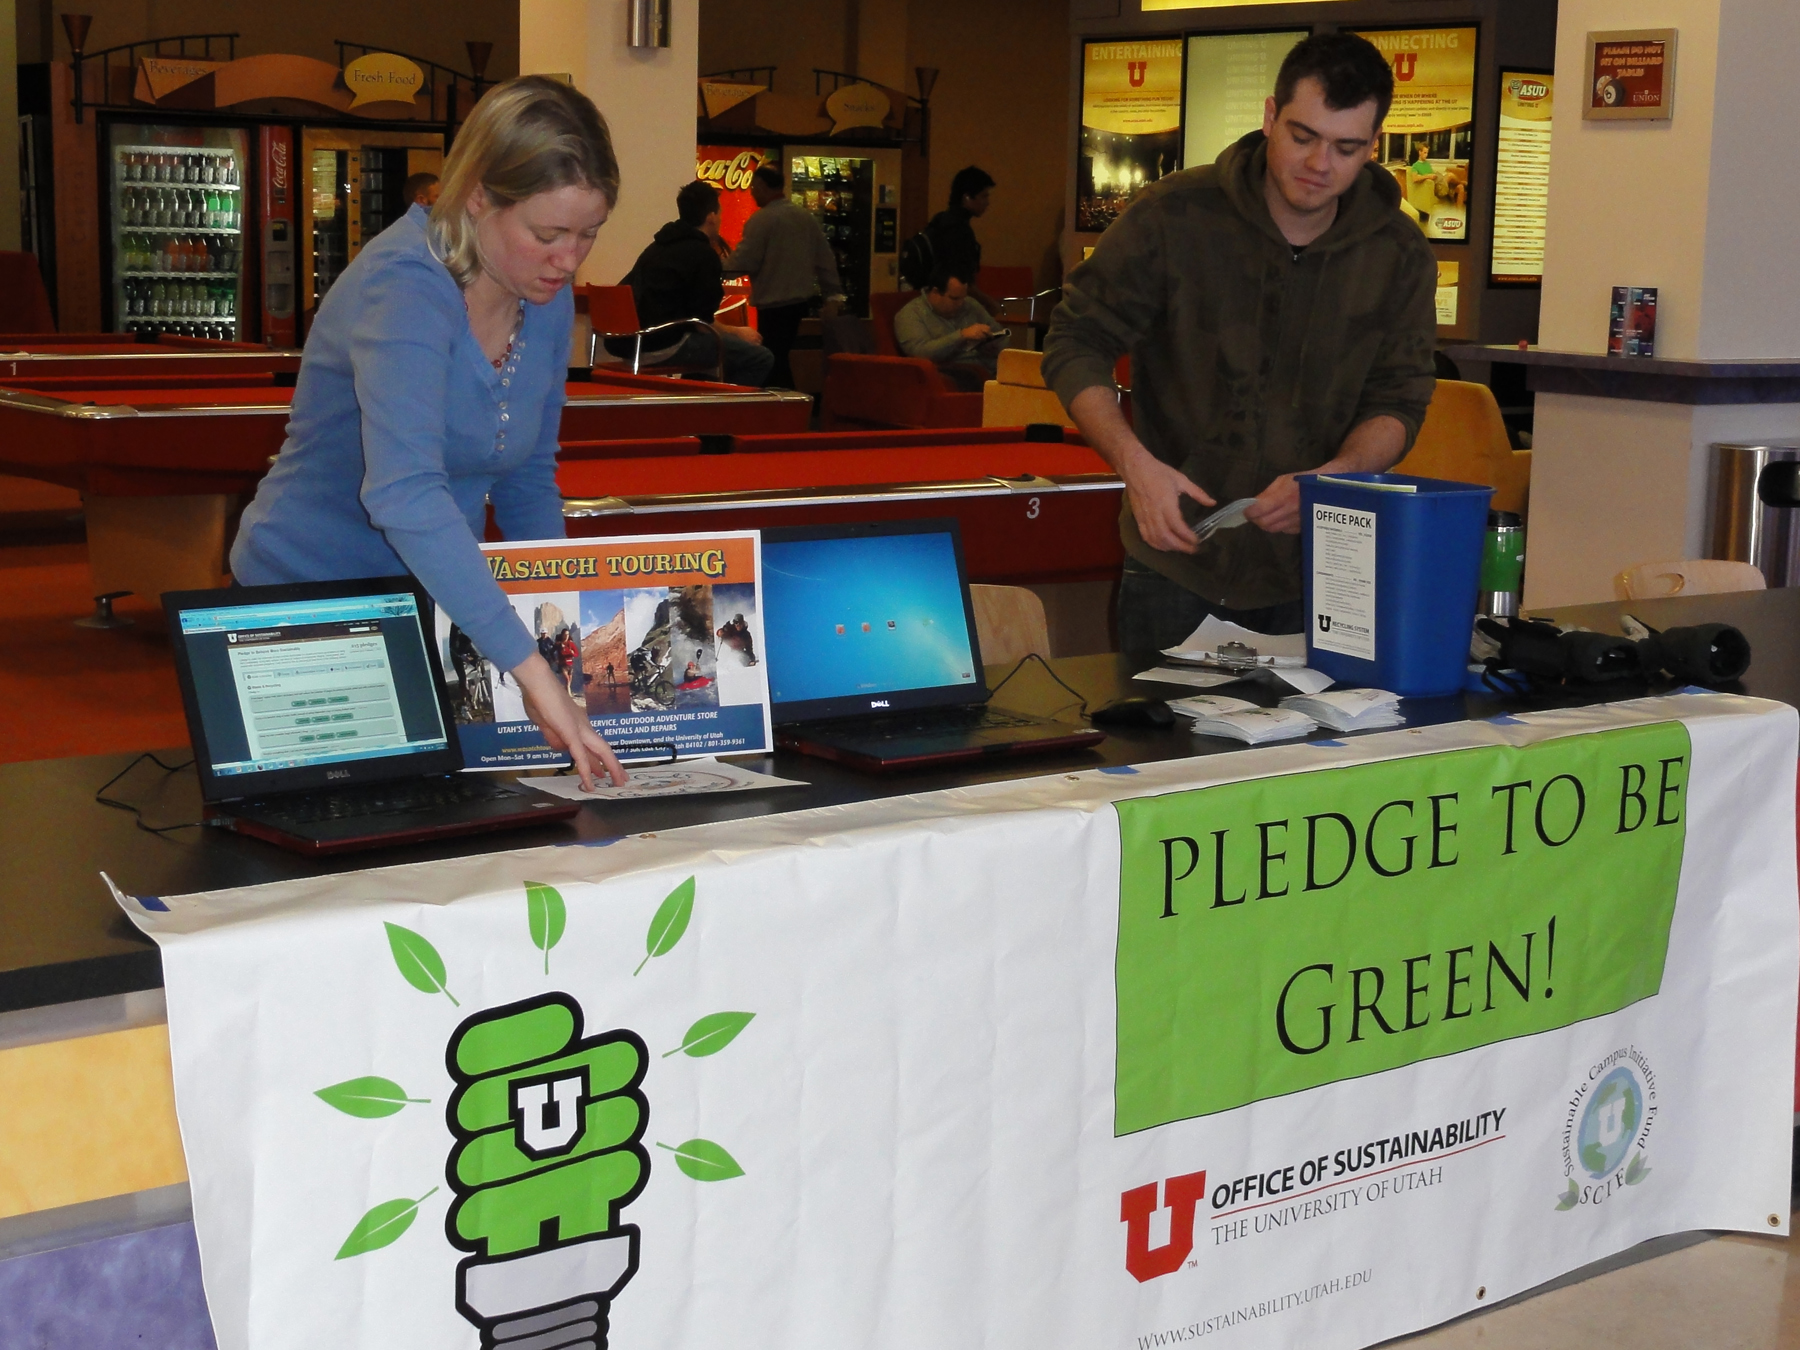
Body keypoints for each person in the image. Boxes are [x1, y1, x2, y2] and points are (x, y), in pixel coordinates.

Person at [229, 76, 627, 789]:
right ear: (478, 196)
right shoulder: (405, 285)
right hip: (307, 597)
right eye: (547, 234)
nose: (569, 261)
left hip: (432, 599)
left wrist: (562, 641)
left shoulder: (545, 295)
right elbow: (405, 494)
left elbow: (529, 477)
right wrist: (528, 669)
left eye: (587, 235)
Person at [1041, 32, 1436, 653]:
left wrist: (1334, 478)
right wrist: (1133, 464)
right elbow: (1074, 339)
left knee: (1312, 753)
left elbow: (1401, 400)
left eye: (1345, 147)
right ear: (1270, 116)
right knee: (1161, 750)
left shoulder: (1399, 252)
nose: (1319, 163)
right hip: (1175, 558)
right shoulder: (1174, 216)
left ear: (1373, 148)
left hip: (1317, 567)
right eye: (1303, 136)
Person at [624, 180, 774, 387]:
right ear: (711, 217)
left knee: (709, 352)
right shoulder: (703, 255)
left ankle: (698, 405)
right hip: (664, 344)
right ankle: (724, 414)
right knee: (760, 357)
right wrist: (738, 332)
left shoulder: (657, 247)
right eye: (719, 213)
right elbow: (702, 324)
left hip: (632, 341)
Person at [724, 166, 845, 388]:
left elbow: (744, 260)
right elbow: (825, 259)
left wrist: (716, 268)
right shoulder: (804, 217)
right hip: (799, 301)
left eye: (753, 187)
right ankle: (789, 407)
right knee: (779, 356)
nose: (751, 192)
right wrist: (833, 294)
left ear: (761, 186)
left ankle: (784, 406)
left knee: (772, 359)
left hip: (772, 303)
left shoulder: (761, 220)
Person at [893, 265, 1008, 392]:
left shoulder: (970, 304)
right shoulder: (911, 314)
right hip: (953, 372)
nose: (960, 303)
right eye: (954, 298)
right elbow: (919, 353)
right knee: (972, 377)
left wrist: (993, 344)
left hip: (989, 366)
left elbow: (1000, 335)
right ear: (935, 292)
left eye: (963, 297)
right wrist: (961, 336)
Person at [922, 166, 996, 310]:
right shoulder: (958, 230)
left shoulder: (940, 220)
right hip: (949, 305)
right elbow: (960, 279)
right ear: (967, 197)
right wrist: (990, 304)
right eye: (984, 196)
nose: (987, 202)